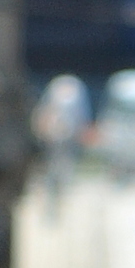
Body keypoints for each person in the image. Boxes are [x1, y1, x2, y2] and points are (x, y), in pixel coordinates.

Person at [33, 73, 89, 209]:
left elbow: (82, 116)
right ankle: (51, 200)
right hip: (53, 139)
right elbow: (45, 112)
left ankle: (62, 199)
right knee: (52, 169)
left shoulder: (76, 90)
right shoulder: (56, 89)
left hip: (69, 139)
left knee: (66, 169)